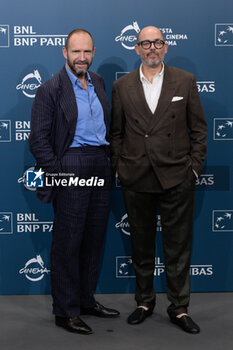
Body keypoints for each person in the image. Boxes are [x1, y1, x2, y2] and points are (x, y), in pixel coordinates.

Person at [110, 26, 207, 334]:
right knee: (140, 245)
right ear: (136, 48)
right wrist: (119, 167)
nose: (152, 48)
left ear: (166, 47)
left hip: (177, 176)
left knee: (178, 247)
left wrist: (194, 168)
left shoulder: (185, 81)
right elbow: (116, 133)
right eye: (145, 43)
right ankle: (144, 301)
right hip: (136, 176)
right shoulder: (122, 86)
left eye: (157, 43)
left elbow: (200, 130)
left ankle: (179, 308)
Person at [29, 28, 120, 335]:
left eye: (87, 52)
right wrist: (59, 172)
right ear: (64, 52)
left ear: (93, 52)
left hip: (99, 163)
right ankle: (65, 311)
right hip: (70, 163)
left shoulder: (98, 82)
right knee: (68, 242)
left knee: (93, 239)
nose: (82, 57)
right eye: (76, 52)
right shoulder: (49, 89)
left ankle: (85, 300)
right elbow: (38, 141)